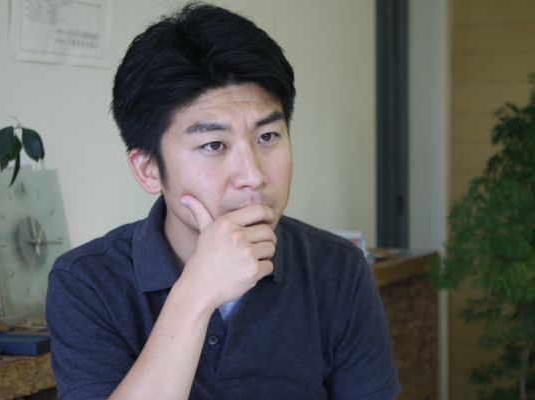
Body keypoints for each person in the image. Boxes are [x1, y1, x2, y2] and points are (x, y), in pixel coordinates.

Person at [46, 3, 401, 399]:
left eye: (267, 137)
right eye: (214, 145)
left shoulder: (338, 270)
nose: (253, 175)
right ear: (148, 169)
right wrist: (196, 294)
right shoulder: (86, 282)